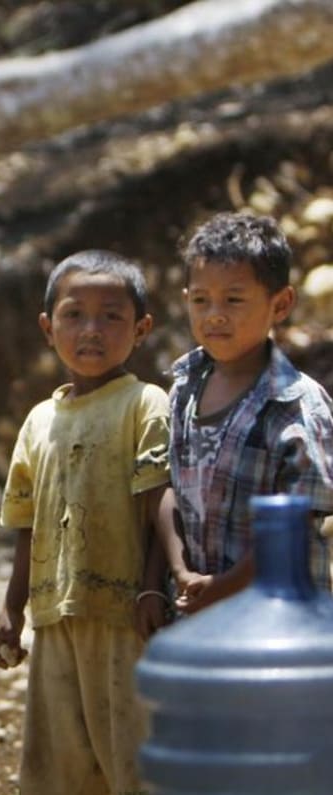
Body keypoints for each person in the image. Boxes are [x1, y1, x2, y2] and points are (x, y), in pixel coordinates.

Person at [0, 250, 170, 795]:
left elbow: (159, 506)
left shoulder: (144, 405)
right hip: (56, 615)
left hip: (127, 616)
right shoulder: (39, 421)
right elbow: (25, 523)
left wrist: (154, 586)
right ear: (48, 327)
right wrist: (12, 612)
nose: (91, 330)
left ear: (142, 328)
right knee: (60, 757)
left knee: (140, 751)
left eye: (111, 317)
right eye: (75, 315)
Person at [155, 211, 333, 612]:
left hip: (279, 623)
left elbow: (297, 528)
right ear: (186, 301)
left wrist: (222, 588)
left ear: (281, 304)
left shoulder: (296, 404)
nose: (214, 313)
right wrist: (178, 572)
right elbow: (166, 486)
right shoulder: (184, 387)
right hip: (195, 611)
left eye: (234, 299)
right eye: (201, 300)